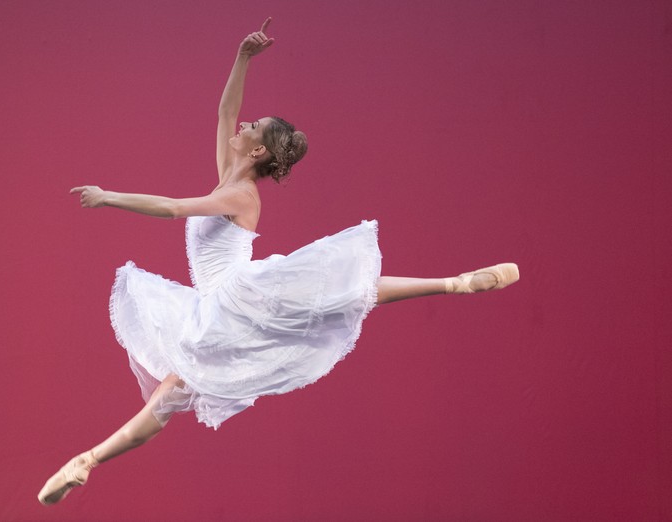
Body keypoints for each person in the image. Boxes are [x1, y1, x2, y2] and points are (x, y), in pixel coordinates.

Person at [38, 18, 519, 506]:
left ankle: (455, 283)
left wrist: (107, 196)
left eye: (252, 127)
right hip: (215, 304)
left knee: (344, 291)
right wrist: (243, 57)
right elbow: (226, 112)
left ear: (259, 149)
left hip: (234, 293)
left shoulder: (241, 195)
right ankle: (87, 461)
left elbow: (172, 208)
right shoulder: (230, 175)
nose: (243, 125)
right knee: (181, 387)